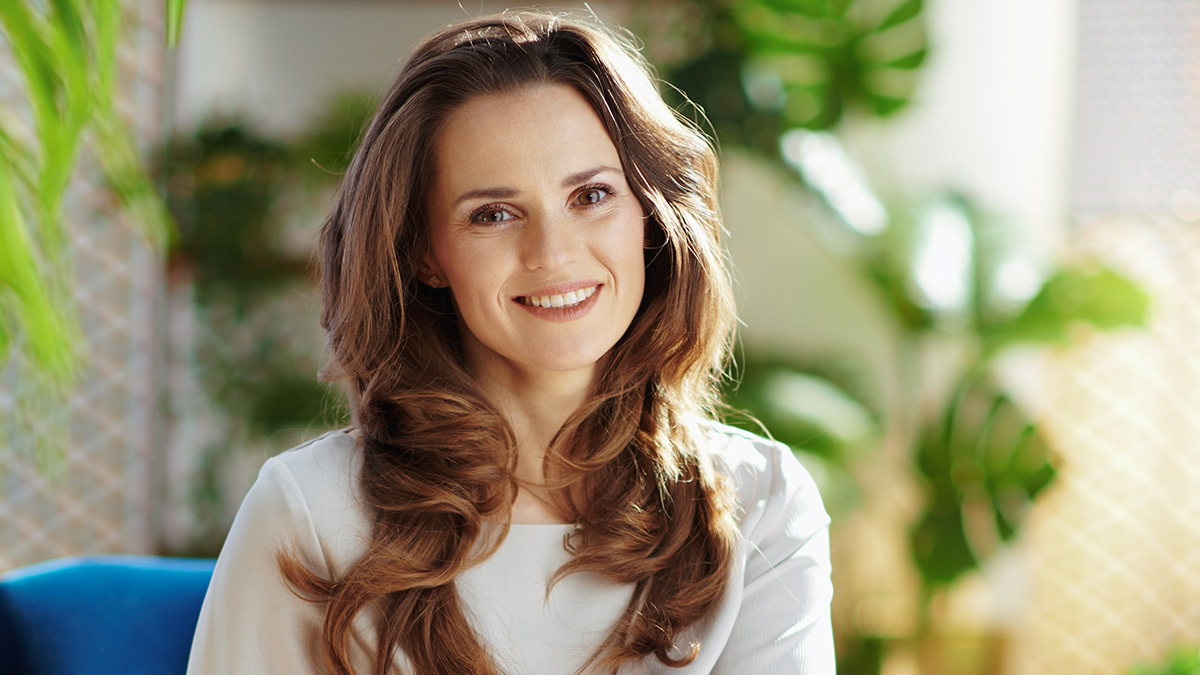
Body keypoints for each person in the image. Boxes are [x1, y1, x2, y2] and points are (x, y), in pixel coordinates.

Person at [186, 10, 834, 675]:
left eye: (591, 195)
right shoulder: (308, 512)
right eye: (493, 214)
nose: (552, 253)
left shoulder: (761, 505)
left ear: (649, 213)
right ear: (425, 253)